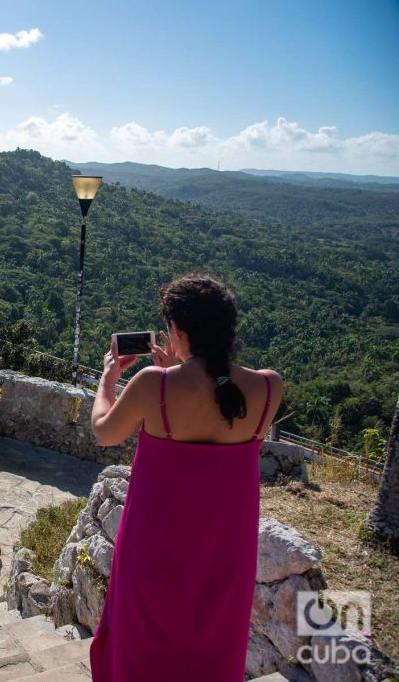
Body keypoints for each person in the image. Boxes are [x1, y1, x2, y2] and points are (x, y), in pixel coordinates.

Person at [88, 273, 283, 682]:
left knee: (143, 655)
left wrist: (108, 377)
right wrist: (179, 368)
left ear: (176, 331)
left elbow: (104, 431)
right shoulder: (269, 387)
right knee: (209, 656)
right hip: (225, 561)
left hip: (153, 555)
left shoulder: (153, 386)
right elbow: (216, 393)